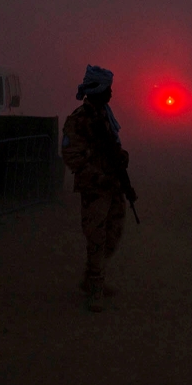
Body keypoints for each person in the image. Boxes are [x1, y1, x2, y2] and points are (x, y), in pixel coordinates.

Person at [62, 65, 136, 312]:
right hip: (94, 188)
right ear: (98, 89)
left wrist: (121, 158)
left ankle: (90, 277)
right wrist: (98, 175)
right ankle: (95, 288)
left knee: (113, 234)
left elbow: (114, 148)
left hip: (112, 185)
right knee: (96, 238)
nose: (111, 93)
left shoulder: (105, 116)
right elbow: (71, 156)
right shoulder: (79, 119)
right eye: (108, 89)